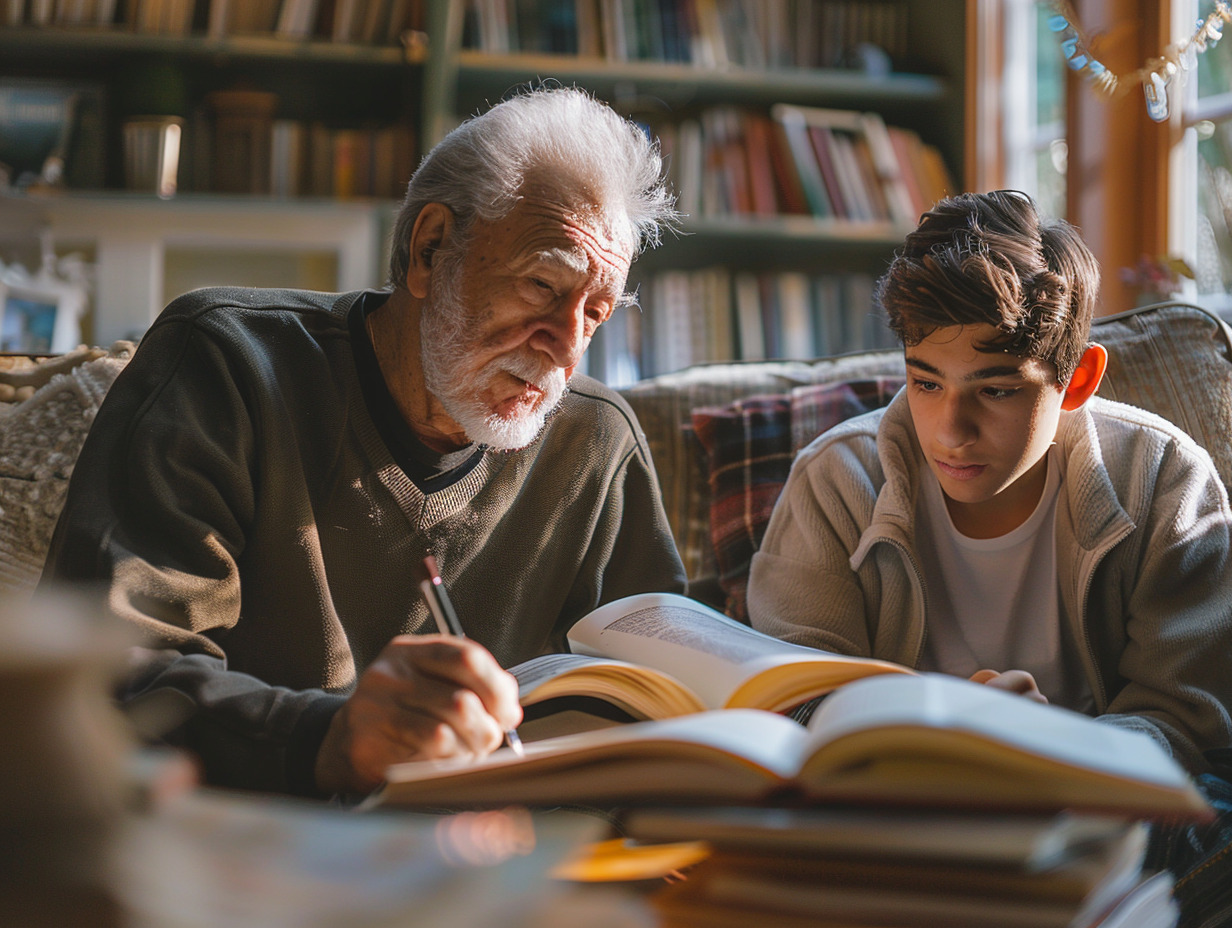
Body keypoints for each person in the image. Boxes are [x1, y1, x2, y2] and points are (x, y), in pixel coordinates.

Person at [39, 86, 686, 799]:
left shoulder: (597, 444)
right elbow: (101, 670)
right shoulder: (225, 362)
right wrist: (328, 739)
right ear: (430, 247)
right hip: (243, 849)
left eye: (595, 312)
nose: (566, 348)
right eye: (541, 285)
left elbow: (660, 698)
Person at [746, 189, 1232, 924]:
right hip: (886, 829)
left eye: (997, 389)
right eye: (925, 383)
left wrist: (1054, 750)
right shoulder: (836, 483)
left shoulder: (1166, 480)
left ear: (1080, 380)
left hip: (1092, 814)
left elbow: (1188, 720)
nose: (950, 431)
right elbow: (787, 697)